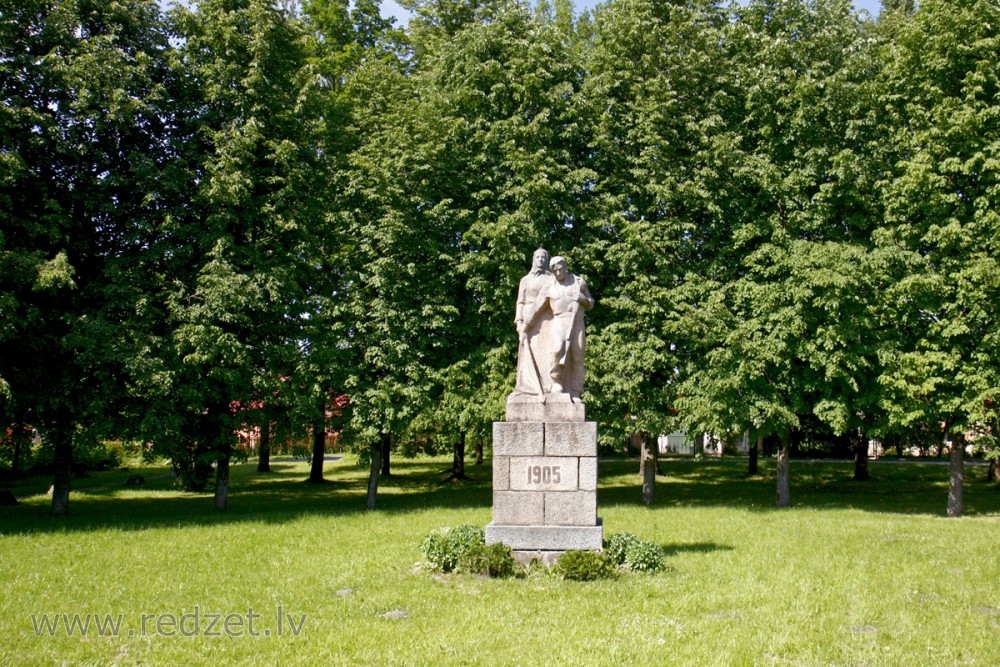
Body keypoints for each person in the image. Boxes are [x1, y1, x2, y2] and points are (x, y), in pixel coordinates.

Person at [524, 256, 594, 400]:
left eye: (559, 269)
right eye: (554, 271)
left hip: (576, 322)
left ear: (565, 266)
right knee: (556, 350)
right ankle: (556, 383)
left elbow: (591, 303)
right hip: (559, 320)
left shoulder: (578, 282)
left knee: (577, 355)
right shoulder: (549, 287)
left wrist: (583, 299)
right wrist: (525, 327)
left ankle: (576, 391)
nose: (557, 273)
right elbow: (536, 308)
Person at [511, 249, 554, 399]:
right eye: (538, 257)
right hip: (528, 319)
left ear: (547, 260)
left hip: (547, 319)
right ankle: (528, 386)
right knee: (527, 352)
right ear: (534, 259)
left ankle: (547, 386)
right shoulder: (525, 280)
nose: (541, 259)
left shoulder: (552, 279)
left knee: (547, 353)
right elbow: (520, 302)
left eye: (544, 257)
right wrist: (519, 321)